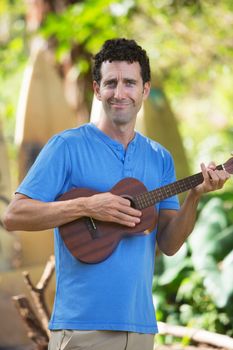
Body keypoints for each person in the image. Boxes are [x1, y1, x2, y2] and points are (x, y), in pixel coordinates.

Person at [3, 38, 230, 350]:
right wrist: (88, 206)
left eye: (129, 83)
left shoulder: (159, 157)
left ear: (145, 90)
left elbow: (170, 243)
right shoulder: (67, 146)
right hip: (81, 328)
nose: (119, 93)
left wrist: (195, 196)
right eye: (110, 83)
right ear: (97, 90)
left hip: (140, 329)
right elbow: (14, 215)